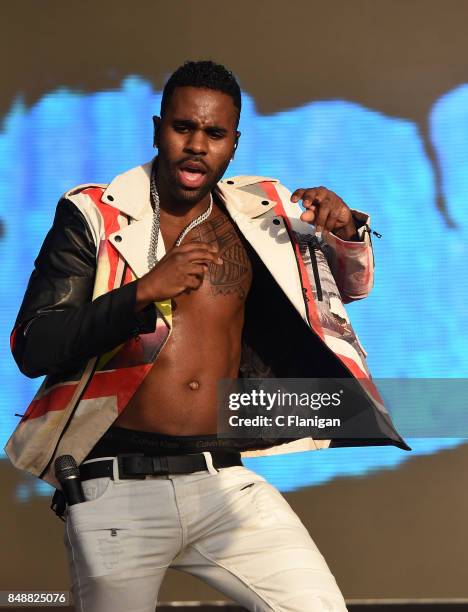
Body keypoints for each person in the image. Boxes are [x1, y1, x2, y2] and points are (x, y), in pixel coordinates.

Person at [5, 60, 408, 612]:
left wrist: (345, 233)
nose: (197, 145)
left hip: (224, 483)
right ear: (156, 129)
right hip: (115, 484)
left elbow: (346, 293)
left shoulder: (260, 214)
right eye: (182, 128)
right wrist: (144, 291)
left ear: (234, 143)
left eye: (214, 134)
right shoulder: (94, 214)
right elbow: (35, 344)